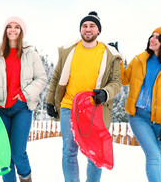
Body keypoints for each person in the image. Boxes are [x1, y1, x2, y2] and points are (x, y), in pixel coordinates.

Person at [46, 11, 122, 182]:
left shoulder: (109, 53)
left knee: (94, 152)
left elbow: (116, 81)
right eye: (85, 26)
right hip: (68, 105)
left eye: (92, 26)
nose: (88, 29)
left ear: (98, 31)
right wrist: (50, 101)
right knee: (69, 151)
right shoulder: (69, 50)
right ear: (80, 30)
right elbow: (57, 76)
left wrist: (105, 93)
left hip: (93, 108)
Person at [0, 16, 47, 182]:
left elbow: (41, 78)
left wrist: (25, 94)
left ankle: (26, 178)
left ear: (21, 31)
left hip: (21, 107)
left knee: (18, 152)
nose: (12, 30)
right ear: (5, 30)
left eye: (16, 27)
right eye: (9, 26)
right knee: (4, 155)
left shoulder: (30, 54)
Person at [121, 26, 161, 182]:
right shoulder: (139, 60)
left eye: (158, 37)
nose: (152, 39)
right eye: (152, 35)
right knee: (154, 156)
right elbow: (123, 80)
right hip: (138, 117)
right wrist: (117, 58)